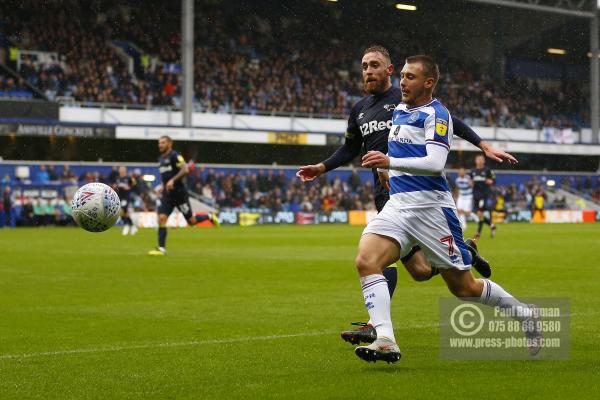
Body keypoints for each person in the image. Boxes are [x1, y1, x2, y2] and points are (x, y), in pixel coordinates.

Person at [296, 45, 511, 344]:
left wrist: (483, 145)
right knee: (401, 267)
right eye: (364, 66)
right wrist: (322, 167)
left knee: (453, 285)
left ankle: (379, 325)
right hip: (389, 195)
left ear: (390, 70)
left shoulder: (407, 99)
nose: (368, 71)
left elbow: (450, 122)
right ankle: (384, 334)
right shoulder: (360, 109)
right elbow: (350, 148)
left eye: (374, 65)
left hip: (424, 198)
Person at [354, 55, 541, 363]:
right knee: (366, 260)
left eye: (410, 77)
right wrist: (388, 170)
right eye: (402, 75)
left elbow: (434, 163)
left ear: (428, 82)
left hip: (431, 211)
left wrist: (390, 162)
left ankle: (525, 315)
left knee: (463, 288)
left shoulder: (437, 115)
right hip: (399, 206)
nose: (402, 81)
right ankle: (386, 339)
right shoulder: (400, 110)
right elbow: (400, 148)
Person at [148, 136, 219, 256]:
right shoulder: (160, 159)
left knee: (191, 221)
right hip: (167, 195)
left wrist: (173, 180)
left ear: (170, 144)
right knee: (161, 218)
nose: (160, 145)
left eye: (163, 143)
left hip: (180, 194)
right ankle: (161, 248)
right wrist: (161, 186)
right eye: (159, 143)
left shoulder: (175, 156)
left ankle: (210, 216)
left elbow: (185, 170)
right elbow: (165, 178)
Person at [471, 154, 496, 239]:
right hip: (475, 195)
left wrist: (490, 181)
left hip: (484, 195)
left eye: (481, 159)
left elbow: (493, 179)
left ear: (484, 161)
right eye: (478, 159)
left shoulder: (487, 170)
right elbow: (471, 182)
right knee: (478, 213)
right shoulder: (473, 171)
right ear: (475, 161)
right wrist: (470, 183)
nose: (480, 161)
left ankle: (478, 232)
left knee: (480, 213)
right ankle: (491, 225)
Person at [114, 166, 138, 236]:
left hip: (126, 197)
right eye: (120, 169)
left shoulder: (128, 177)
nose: (121, 170)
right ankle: (132, 226)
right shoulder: (117, 178)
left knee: (123, 210)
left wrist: (129, 187)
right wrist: (116, 187)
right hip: (119, 197)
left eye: (123, 169)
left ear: (125, 170)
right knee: (124, 213)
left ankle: (126, 225)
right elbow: (116, 187)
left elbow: (135, 184)